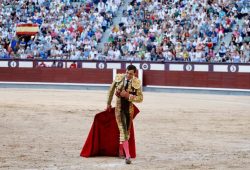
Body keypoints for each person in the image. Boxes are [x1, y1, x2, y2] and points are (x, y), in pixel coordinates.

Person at [106, 64, 143, 164]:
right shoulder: (119, 78)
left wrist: (128, 96)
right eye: (127, 72)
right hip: (119, 108)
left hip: (129, 109)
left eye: (130, 74)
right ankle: (127, 155)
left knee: (127, 131)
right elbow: (111, 90)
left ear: (134, 74)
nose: (128, 75)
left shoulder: (137, 82)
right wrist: (108, 104)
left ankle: (121, 151)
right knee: (123, 131)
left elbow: (140, 98)